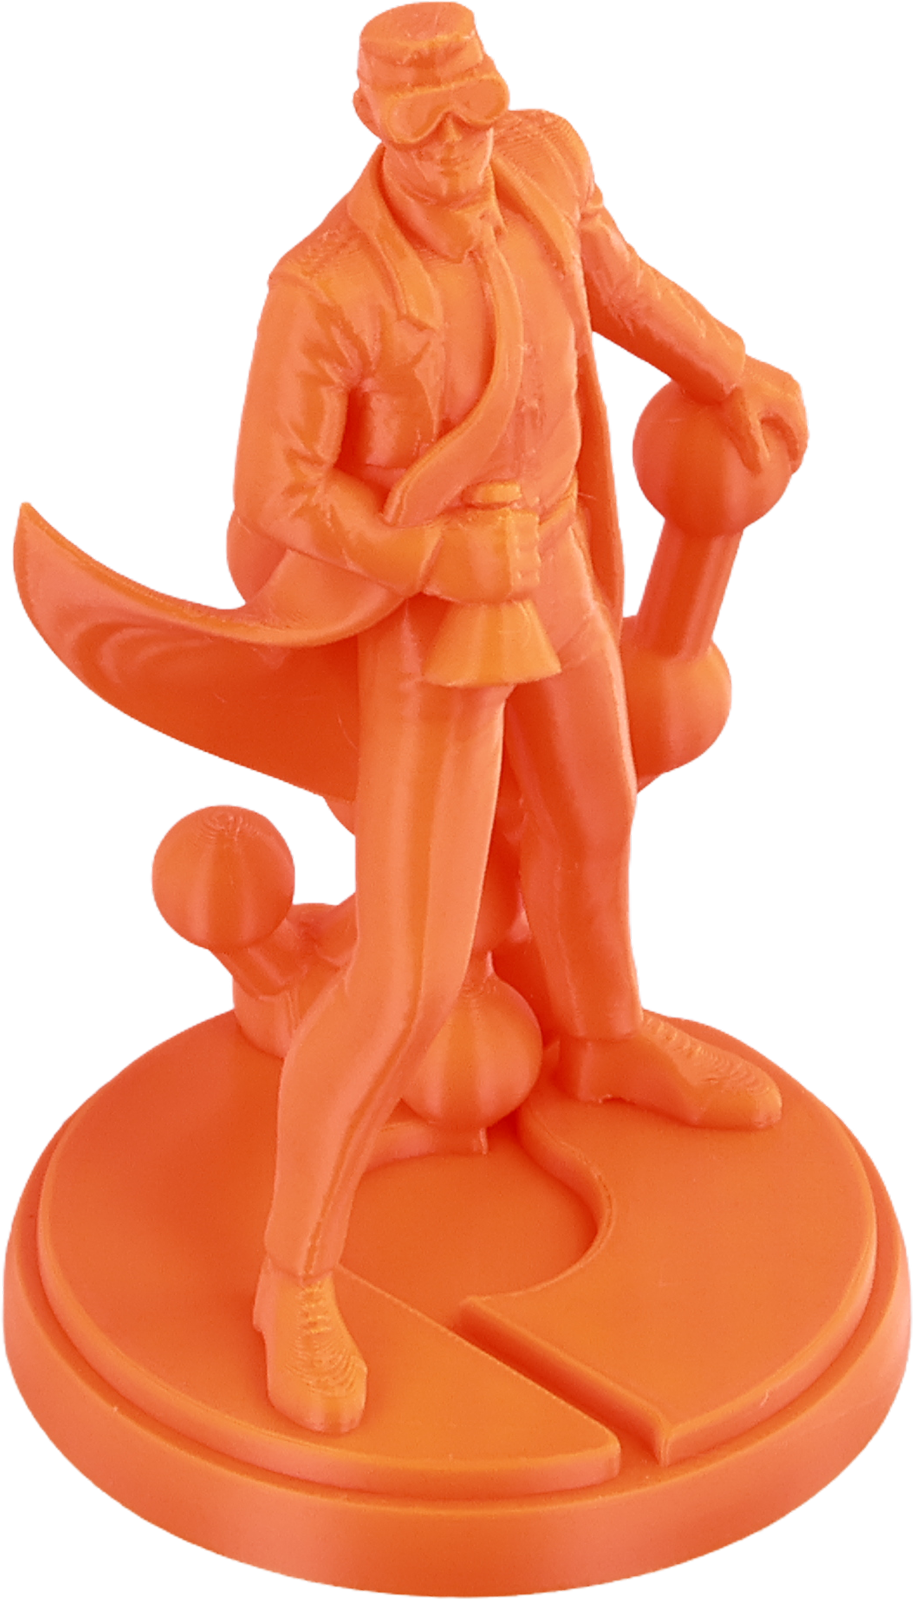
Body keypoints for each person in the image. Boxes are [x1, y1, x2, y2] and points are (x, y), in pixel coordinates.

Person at [230, 2, 810, 1434]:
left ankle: (604, 1034)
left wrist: (729, 363)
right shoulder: (326, 288)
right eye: (426, 132)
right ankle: (293, 1275)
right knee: (412, 973)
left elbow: (618, 283)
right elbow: (276, 492)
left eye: (474, 116)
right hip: (431, 617)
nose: (457, 154)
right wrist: (429, 554)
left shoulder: (543, 164)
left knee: (596, 814)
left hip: (548, 559)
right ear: (374, 127)